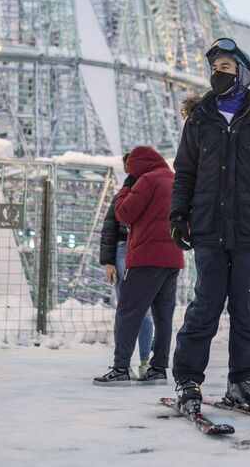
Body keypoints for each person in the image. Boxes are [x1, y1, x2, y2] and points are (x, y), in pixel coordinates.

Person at [170, 38, 250, 414]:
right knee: (204, 306)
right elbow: (184, 174)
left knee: (247, 308)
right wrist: (178, 215)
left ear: (242, 73)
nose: (217, 73)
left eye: (225, 67)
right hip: (208, 229)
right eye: (214, 68)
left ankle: (243, 380)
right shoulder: (200, 119)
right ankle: (188, 379)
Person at [93, 146, 184, 386]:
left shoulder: (146, 180)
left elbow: (123, 213)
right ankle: (158, 368)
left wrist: (126, 187)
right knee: (163, 315)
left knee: (128, 311)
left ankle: (121, 368)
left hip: (146, 257)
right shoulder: (175, 180)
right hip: (172, 257)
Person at [99, 153, 154, 379]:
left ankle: (140, 361)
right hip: (126, 249)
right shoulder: (126, 192)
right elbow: (110, 227)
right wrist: (109, 261)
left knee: (138, 310)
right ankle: (129, 363)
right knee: (131, 309)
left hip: (141, 250)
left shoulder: (150, 189)